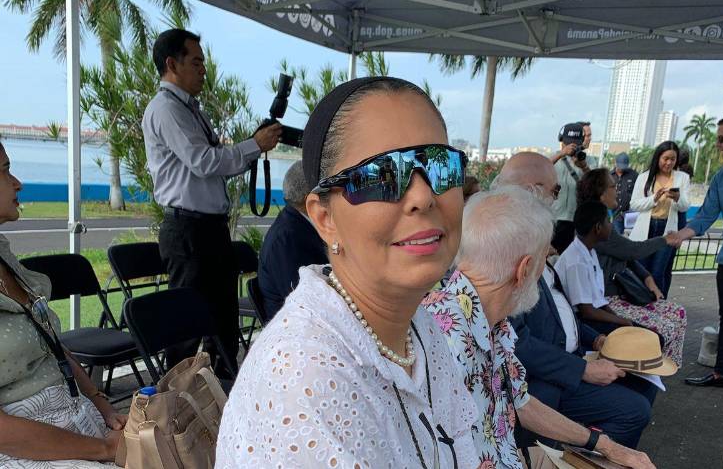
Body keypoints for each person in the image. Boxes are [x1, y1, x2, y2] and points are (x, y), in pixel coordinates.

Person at [216, 77, 479, 467]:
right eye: (382, 176)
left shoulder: (418, 329)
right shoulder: (304, 379)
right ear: (325, 218)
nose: (424, 197)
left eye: (441, 166)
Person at [423, 186, 655, 469]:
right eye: (544, 261)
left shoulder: (490, 321)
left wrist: (603, 444)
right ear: (524, 270)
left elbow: (521, 402)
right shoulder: (444, 340)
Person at [141, 28, 282, 377]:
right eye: (196, 62)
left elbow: (213, 162)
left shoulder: (190, 109)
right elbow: (203, 162)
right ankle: (177, 401)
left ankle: (224, 391)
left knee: (224, 322)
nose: (203, 70)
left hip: (208, 229)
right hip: (188, 229)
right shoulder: (166, 109)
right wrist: (254, 145)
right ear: (172, 64)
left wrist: (253, 147)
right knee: (186, 327)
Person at [493, 153, 654, 449]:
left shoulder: (533, 241)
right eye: (556, 191)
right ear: (531, 191)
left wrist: (596, 340)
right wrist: (583, 370)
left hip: (570, 359)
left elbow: (563, 313)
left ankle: (590, 453)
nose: (557, 200)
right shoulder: (502, 250)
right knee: (634, 409)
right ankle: (583, 453)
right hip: (542, 380)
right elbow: (516, 342)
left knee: (643, 384)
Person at [0, 141, 127, 468]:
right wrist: (104, 449)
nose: (17, 183)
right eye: (4, 171)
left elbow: (52, 347)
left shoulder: (4, 257)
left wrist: (103, 407)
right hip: (29, 447)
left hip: (75, 420)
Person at [674, 112, 723, 400]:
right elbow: (705, 216)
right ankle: (721, 373)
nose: (717, 144)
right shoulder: (722, 177)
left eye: (722, 138)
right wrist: (680, 235)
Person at [556, 201, 686, 367]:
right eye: (608, 222)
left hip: (594, 314)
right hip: (583, 322)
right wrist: (621, 321)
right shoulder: (576, 261)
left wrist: (620, 319)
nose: (611, 226)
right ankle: (636, 375)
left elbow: (598, 300)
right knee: (650, 341)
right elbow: (587, 311)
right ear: (598, 228)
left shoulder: (589, 251)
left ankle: (646, 374)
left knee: (654, 339)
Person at [258, 160, 328, 321]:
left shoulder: (299, 223)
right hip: (296, 324)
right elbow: (303, 299)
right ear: (310, 200)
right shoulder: (287, 239)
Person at [629, 141, 691, 297]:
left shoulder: (682, 178)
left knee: (658, 272)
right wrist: (654, 199)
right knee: (642, 270)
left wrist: (677, 198)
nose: (669, 163)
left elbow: (685, 206)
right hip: (647, 228)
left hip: (667, 230)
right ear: (658, 158)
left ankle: (659, 306)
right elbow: (634, 204)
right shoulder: (644, 177)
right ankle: (641, 303)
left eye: (673, 159)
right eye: (665, 158)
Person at [550, 123, 596, 253]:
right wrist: (561, 154)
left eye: (576, 143)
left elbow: (596, 185)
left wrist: (584, 167)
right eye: (568, 143)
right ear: (561, 141)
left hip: (575, 220)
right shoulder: (554, 157)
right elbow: (539, 168)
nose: (571, 147)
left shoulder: (588, 160)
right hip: (552, 217)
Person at [611, 153, 638, 234]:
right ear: (615, 163)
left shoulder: (634, 175)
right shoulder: (609, 175)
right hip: (614, 214)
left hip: (629, 213)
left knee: (628, 236)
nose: (621, 169)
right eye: (619, 166)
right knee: (615, 236)